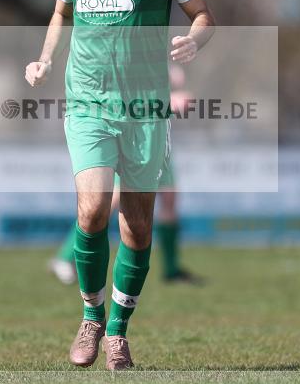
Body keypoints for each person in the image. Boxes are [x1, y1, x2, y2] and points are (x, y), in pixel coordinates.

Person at [25, 0, 215, 370]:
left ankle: (118, 330)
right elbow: (61, 11)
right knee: (91, 210)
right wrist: (45, 58)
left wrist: (194, 41)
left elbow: (203, 15)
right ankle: (92, 315)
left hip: (146, 108)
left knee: (137, 226)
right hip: (88, 102)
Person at [49, 64, 203, 286]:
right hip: (134, 138)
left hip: (157, 136)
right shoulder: (120, 55)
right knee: (107, 203)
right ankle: (65, 257)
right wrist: (169, 101)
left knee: (169, 198)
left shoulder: (154, 51)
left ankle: (171, 270)